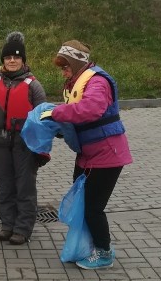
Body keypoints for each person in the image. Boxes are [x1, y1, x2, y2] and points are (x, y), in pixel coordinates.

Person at [44, 40, 133, 269]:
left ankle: (104, 253)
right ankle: (88, 245)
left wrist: (58, 112)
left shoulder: (97, 82)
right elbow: (75, 116)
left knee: (93, 207)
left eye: (66, 66)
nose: (63, 71)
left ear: (76, 63)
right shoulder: (74, 83)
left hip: (107, 155)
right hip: (87, 154)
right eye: (61, 67)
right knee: (82, 203)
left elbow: (92, 109)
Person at [0, 32, 48, 245]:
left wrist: (43, 150)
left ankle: (23, 228)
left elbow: (44, 120)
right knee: (4, 185)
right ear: (3, 61)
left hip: (24, 143)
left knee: (24, 186)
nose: (12, 61)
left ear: (23, 60)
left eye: (17, 57)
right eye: (8, 58)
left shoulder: (33, 86)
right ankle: (7, 224)